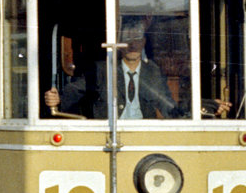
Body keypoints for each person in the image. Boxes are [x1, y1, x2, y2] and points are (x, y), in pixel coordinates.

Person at [44, 21, 198, 119]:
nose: (133, 45)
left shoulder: (152, 72)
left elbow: (168, 107)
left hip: (142, 136)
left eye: (137, 39)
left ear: (144, 42)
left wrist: (196, 111)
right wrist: (57, 100)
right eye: (127, 39)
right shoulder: (102, 70)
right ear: (118, 43)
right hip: (108, 136)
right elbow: (73, 91)